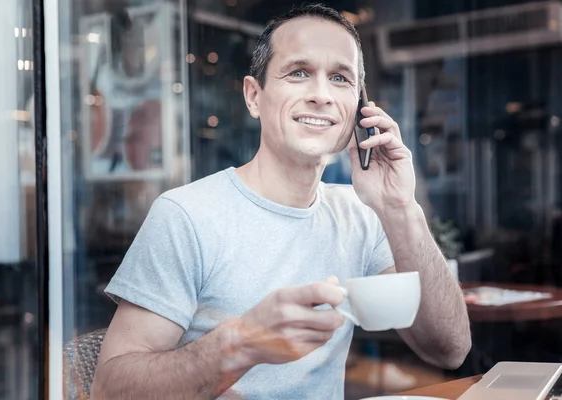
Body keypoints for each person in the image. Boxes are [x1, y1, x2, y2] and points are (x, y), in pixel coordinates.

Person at [90, 3, 471, 399]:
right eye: (299, 73)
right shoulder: (187, 215)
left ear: (358, 108)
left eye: (340, 78)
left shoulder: (361, 214)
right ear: (254, 97)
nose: (321, 95)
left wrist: (400, 207)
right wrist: (242, 342)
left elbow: (450, 349)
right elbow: (109, 389)